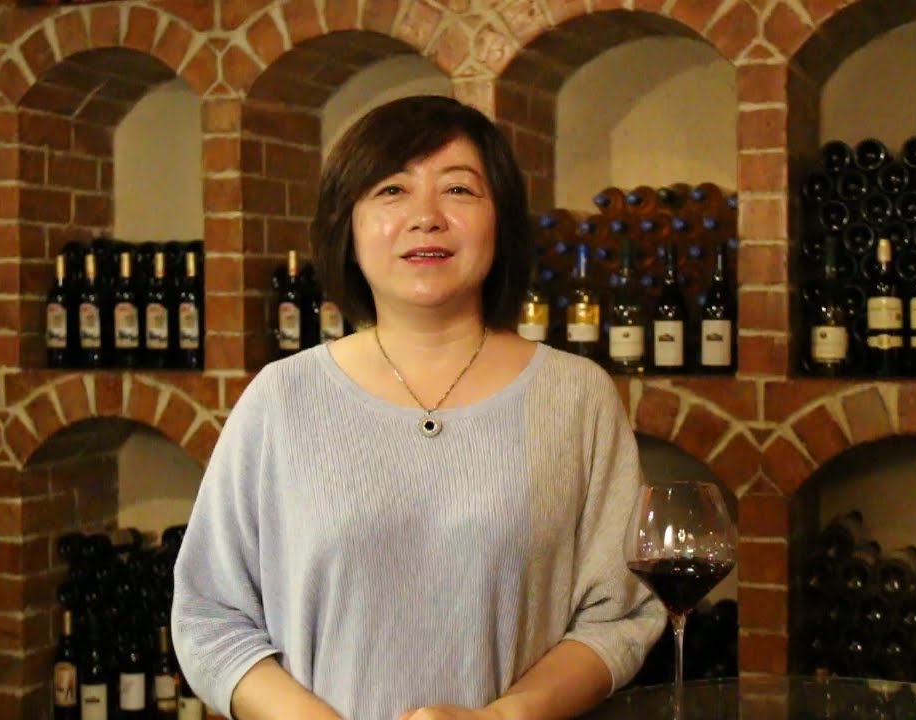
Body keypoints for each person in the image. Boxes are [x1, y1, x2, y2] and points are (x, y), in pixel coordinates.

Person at [171, 95, 664, 720]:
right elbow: (209, 616)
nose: (426, 217)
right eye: (391, 191)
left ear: (501, 222)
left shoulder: (577, 397)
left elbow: (619, 615)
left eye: (458, 189)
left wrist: (502, 719)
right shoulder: (281, 399)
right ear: (348, 230)